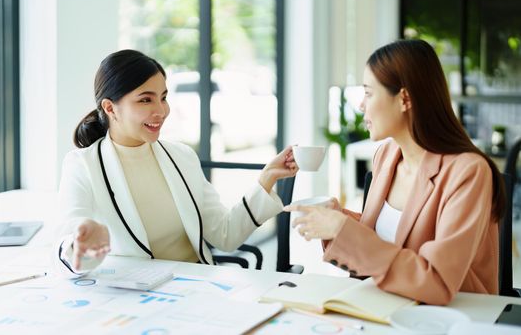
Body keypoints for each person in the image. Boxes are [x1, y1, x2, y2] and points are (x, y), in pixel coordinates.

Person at [287, 39, 505, 305]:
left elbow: (437, 282)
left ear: (404, 98)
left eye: (368, 93)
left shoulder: (468, 172)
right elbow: (388, 238)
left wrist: (343, 229)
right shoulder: (387, 155)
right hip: (387, 305)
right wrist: (338, 220)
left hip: (453, 318)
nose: (360, 106)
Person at [55, 49, 298, 275]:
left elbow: (225, 235)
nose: (161, 110)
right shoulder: (83, 165)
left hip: (198, 290)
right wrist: (81, 243)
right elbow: (69, 238)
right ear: (110, 108)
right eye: (145, 100)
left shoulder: (182, 157)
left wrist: (267, 179)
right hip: (136, 298)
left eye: (163, 97)